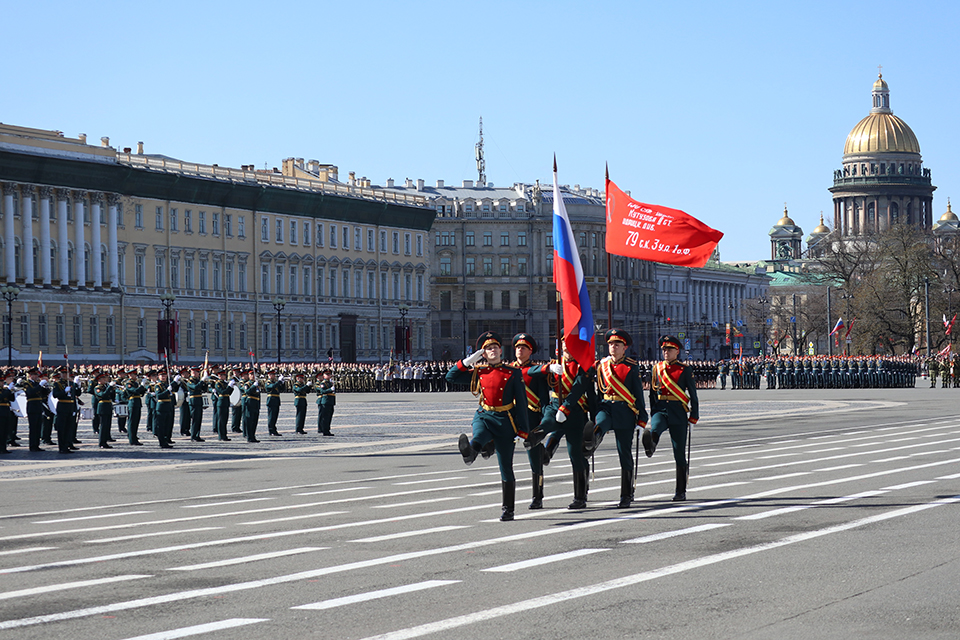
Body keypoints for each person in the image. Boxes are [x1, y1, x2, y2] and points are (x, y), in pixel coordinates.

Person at [448, 331, 529, 522]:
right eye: (487, 349)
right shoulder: (479, 371)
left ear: (501, 350)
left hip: (505, 420)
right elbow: (451, 377)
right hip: (484, 415)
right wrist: (468, 361)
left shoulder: (512, 372)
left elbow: (522, 403)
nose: (492, 351)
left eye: (494, 347)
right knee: (479, 434)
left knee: (506, 468)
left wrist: (523, 430)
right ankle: (471, 450)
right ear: (483, 353)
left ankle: (508, 509)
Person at [585, 329, 647, 508]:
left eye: (617, 345)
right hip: (606, 407)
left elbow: (638, 393)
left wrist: (641, 419)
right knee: (600, 424)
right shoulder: (601, 365)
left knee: (624, 453)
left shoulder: (631, 366)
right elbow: (598, 390)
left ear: (624, 348)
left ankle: (626, 494)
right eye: (611, 344)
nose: (613, 347)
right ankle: (590, 443)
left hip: (625, 411)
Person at [642, 335, 700, 501]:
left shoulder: (684, 369)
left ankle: (680, 491)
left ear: (677, 351)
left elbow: (693, 395)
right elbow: (653, 393)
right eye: (664, 349)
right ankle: (651, 445)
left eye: (669, 349)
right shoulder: (656, 368)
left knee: (679, 452)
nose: (666, 352)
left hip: (678, 411)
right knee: (655, 428)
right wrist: (653, 412)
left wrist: (694, 416)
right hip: (661, 409)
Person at [511, 333, 551, 509]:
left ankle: (538, 496)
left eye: (524, 348)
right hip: (511, 418)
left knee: (534, 461)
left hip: (531, 418)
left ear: (530, 352)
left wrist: (543, 422)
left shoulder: (536, 372)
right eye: (518, 347)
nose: (520, 350)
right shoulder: (508, 369)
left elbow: (543, 399)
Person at [22, 366, 49, 452]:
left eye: (36, 374)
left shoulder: (37, 384)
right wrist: (40, 385)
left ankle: (36, 445)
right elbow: (30, 392)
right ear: (30, 375)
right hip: (32, 406)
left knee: (38, 427)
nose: (36, 376)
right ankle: (32, 445)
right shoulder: (26, 383)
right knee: (33, 428)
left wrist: (46, 387)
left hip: (38, 406)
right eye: (34, 375)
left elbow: (44, 394)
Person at [92, 372, 117, 449]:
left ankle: (105, 441)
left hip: (108, 407)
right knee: (103, 426)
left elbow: (111, 396)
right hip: (102, 407)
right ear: (99, 380)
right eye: (103, 378)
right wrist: (109, 387)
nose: (105, 380)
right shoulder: (97, 388)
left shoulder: (106, 387)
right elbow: (103, 395)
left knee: (107, 425)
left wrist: (113, 389)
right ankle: (101, 442)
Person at [124, 369, 147, 446]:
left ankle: (134, 437)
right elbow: (135, 391)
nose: (135, 376)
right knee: (132, 422)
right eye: (134, 375)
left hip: (137, 403)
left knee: (136, 422)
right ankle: (131, 439)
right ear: (130, 375)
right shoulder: (129, 384)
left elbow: (140, 393)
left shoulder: (135, 383)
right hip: (132, 403)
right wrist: (142, 386)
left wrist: (144, 388)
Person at [241, 369, 261, 443]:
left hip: (256, 404)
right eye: (251, 374)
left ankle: (253, 436)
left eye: (254, 374)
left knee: (254, 421)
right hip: (250, 403)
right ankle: (249, 437)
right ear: (249, 376)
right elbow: (247, 392)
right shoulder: (247, 384)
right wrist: (253, 386)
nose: (253, 376)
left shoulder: (257, 384)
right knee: (249, 421)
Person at [316, 369, 336, 436]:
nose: (328, 375)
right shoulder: (323, 383)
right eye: (327, 374)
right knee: (325, 417)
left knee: (329, 416)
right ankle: (325, 430)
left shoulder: (330, 383)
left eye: (329, 374)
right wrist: (330, 389)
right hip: (326, 401)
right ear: (324, 376)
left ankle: (327, 429)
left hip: (330, 401)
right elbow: (322, 391)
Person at [265, 370, 283, 436]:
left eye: (274, 374)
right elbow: (272, 387)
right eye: (272, 374)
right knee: (271, 417)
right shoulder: (268, 382)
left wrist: (282, 383)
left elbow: (281, 389)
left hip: (276, 400)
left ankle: (274, 430)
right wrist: (279, 382)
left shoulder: (275, 382)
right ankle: (271, 430)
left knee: (275, 416)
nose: (274, 376)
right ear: (269, 375)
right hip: (271, 400)